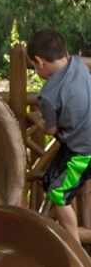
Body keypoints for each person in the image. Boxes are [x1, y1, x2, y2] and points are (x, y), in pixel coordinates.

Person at [27, 29, 91, 242]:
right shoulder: (79, 65)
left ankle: (73, 246)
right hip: (78, 143)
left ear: (39, 62)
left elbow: (49, 129)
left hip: (83, 152)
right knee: (50, 178)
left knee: (57, 193)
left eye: (33, 66)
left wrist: (34, 117)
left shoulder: (48, 95)